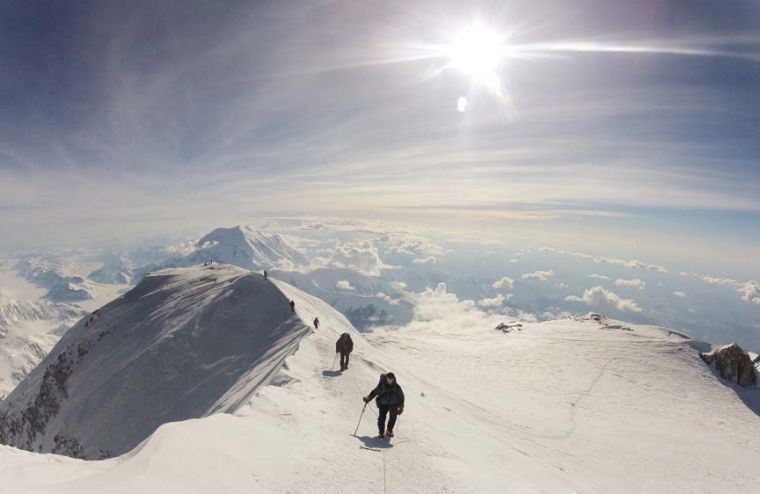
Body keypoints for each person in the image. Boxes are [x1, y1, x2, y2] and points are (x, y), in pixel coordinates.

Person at [363, 372, 404, 438]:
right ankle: (381, 432)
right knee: (381, 418)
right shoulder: (382, 385)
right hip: (383, 403)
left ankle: (389, 431)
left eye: (391, 379)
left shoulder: (397, 387)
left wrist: (401, 407)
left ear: (394, 379)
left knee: (393, 417)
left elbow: (401, 397)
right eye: (389, 379)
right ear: (386, 378)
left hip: (394, 404)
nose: (390, 381)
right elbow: (374, 392)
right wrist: (368, 398)